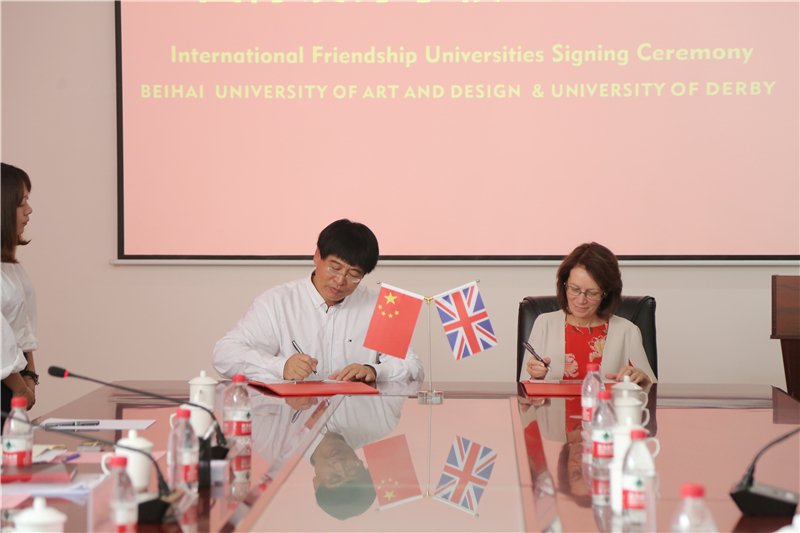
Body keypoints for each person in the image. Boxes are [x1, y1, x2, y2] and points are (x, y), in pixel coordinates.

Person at [213, 219, 424, 383]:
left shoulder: (383, 307)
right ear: (317, 255)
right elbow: (224, 355)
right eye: (334, 267)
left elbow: (413, 369)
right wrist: (280, 366)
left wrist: (374, 371)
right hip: (293, 420)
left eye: (353, 275)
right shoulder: (277, 301)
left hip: (357, 421)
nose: (340, 280)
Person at [521, 242, 656, 385]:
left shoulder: (627, 331)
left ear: (606, 293)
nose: (581, 300)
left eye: (592, 293)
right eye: (574, 289)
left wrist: (643, 379)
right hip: (552, 401)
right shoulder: (544, 324)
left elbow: (652, 389)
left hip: (607, 401)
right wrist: (535, 378)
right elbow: (522, 391)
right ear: (564, 285)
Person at [1, 163, 38, 429]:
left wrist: (30, 376)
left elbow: (22, 324)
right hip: (8, 382)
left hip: (15, 383)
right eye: (22, 202)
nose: (29, 210)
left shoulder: (10, 265)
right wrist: (20, 387)